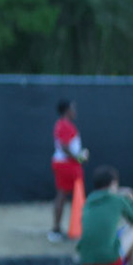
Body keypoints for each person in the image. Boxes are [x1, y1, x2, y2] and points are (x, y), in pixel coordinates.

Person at [75, 166, 133, 265]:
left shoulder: (89, 200)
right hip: (109, 262)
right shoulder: (118, 200)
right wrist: (131, 200)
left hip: (86, 261)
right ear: (113, 183)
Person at [51, 99, 89, 243]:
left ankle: (65, 229)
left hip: (66, 164)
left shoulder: (63, 124)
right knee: (66, 195)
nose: (75, 111)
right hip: (67, 165)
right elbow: (65, 147)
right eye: (73, 108)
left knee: (69, 196)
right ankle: (57, 229)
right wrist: (79, 158)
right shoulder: (64, 125)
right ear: (67, 110)